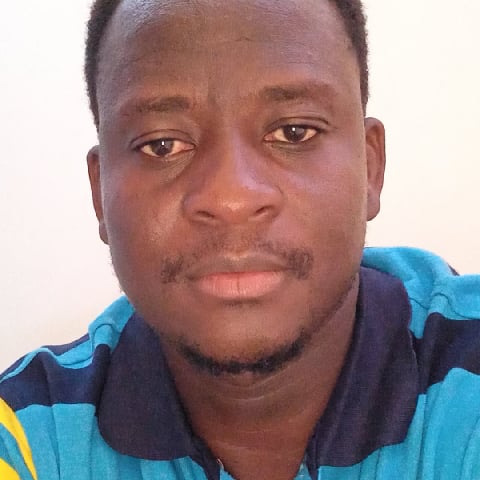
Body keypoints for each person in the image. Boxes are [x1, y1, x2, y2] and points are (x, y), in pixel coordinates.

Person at [1, 0, 480, 479]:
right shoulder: (30, 437)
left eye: (294, 132)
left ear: (370, 169)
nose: (231, 198)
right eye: (162, 145)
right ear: (100, 192)